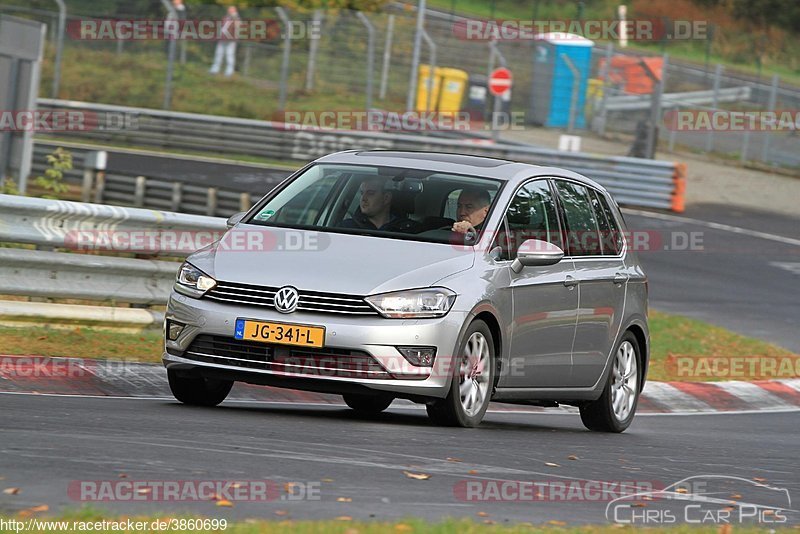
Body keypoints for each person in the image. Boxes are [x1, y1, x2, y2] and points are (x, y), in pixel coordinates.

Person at [340, 177, 418, 232]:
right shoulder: (346, 228)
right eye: (362, 193)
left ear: (386, 198)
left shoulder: (409, 229)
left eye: (370, 193)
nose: (363, 198)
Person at [209, 6, 240, 77]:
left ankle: (229, 71)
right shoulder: (225, 18)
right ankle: (215, 69)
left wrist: (234, 17)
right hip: (222, 39)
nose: (230, 11)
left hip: (231, 40)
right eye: (229, 10)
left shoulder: (236, 18)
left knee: (229, 55)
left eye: (232, 10)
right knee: (218, 54)